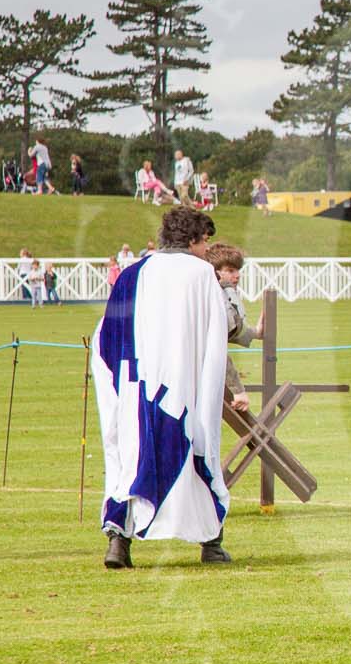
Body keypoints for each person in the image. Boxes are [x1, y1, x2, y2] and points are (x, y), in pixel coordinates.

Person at [94, 206, 232, 569]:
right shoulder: (202, 275)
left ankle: (118, 542)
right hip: (183, 389)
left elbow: (107, 337)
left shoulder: (131, 275)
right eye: (205, 242)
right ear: (191, 240)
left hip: (135, 389)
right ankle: (210, 541)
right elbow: (215, 342)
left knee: (129, 459)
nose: (207, 251)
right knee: (198, 452)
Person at [203, 243, 260, 412]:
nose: (237, 275)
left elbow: (231, 330)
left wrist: (255, 333)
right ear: (216, 272)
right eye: (230, 270)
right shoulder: (215, 298)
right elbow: (216, 346)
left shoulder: (222, 294)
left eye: (237, 270)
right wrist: (238, 390)